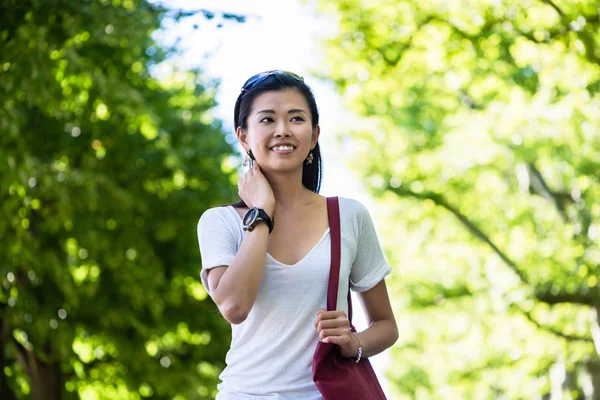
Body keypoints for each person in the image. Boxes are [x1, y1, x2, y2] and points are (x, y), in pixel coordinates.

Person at [197, 70, 398, 399]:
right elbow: (234, 306)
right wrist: (261, 211)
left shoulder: (349, 216)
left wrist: (355, 342)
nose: (282, 131)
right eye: (266, 119)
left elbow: (386, 325)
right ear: (244, 137)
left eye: (296, 118)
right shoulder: (220, 222)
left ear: (314, 134)